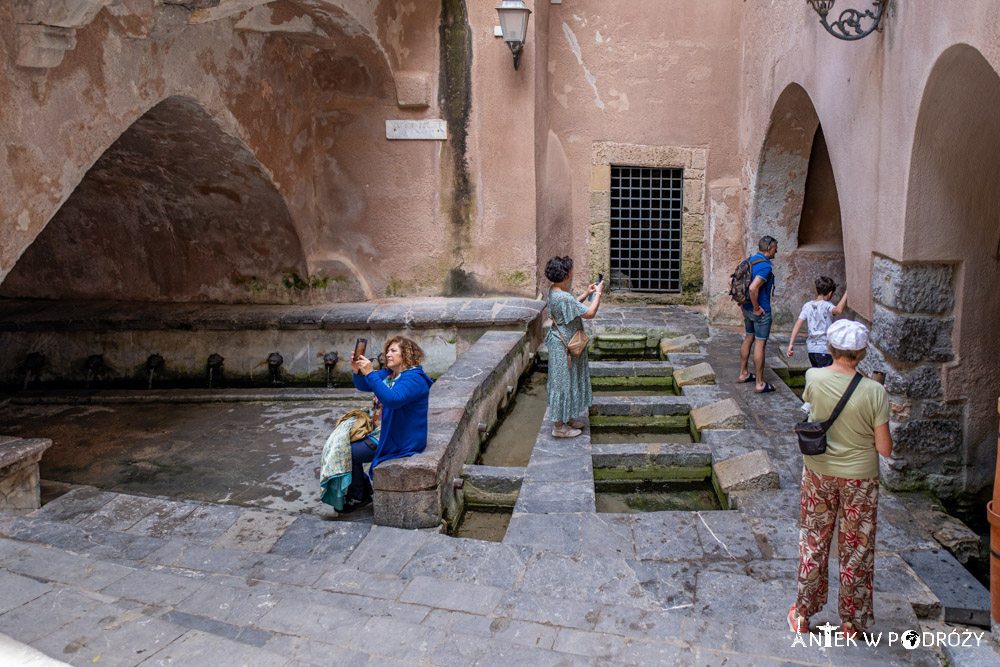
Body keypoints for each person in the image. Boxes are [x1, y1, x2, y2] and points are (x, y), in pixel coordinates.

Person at [788, 319, 892, 639]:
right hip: (860, 478)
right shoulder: (875, 392)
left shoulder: (813, 377)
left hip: (819, 471)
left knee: (814, 541)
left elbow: (813, 409)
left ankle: (803, 614)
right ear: (861, 353)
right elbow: (885, 449)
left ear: (831, 347)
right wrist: (881, 402)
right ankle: (852, 622)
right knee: (856, 548)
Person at [344, 336, 433, 512]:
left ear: (406, 354)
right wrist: (357, 372)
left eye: (393, 351)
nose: (388, 354)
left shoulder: (415, 379)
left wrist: (370, 372)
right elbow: (365, 385)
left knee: (348, 452)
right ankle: (361, 489)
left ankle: (359, 495)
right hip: (383, 430)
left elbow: (392, 400)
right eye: (387, 351)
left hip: (400, 438)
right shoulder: (390, 373)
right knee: (342, 443)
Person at [544, 256, 602, 438]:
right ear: (566, 275)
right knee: (561, 383)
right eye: (570, 270)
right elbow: (590, 313)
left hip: (562, 343)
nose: (572, 272)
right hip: (564, 346)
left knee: (567, 380)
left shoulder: (554, 291)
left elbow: (571, 305)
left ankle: (566, 418)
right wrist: (598, 293)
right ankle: (559, 427)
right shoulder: (562, 296)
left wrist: (586, 294)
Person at [738, 236, 778, 393]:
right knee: (760, 343)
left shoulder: (748, 261)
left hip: (746, 308)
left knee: (749, 337)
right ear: (769, 249)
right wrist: (756, 307)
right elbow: (753, 288)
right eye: (775, 248)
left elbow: (732, 281)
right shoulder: (765, 267)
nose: (777, 251)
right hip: (760, 310)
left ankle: (743, 373)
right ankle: (760, 383)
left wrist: (742, 302)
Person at [786, 277, 848, 368]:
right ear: (830, 293)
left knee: (817, 375)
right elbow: (839, 310)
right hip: (824, 350)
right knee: (825, 377)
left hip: (811, 350)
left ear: (816, 290)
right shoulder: (827, 306)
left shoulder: (807, 305)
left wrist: (791, 344)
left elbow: (798, 324)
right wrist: (848, 291)